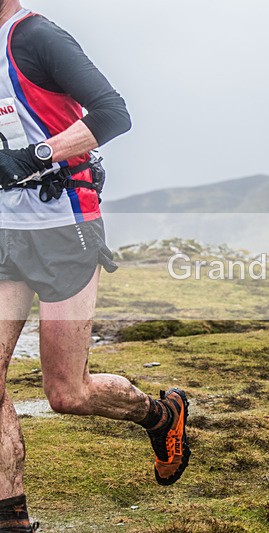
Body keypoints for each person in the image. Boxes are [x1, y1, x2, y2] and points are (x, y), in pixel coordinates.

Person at [0, 3, 189, 530]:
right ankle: (11, 519)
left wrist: (36, 156)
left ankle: (161, 413)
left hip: (67, 227)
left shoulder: (34, 37)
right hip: (6, 236)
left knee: (67, 393)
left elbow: (112, 114)